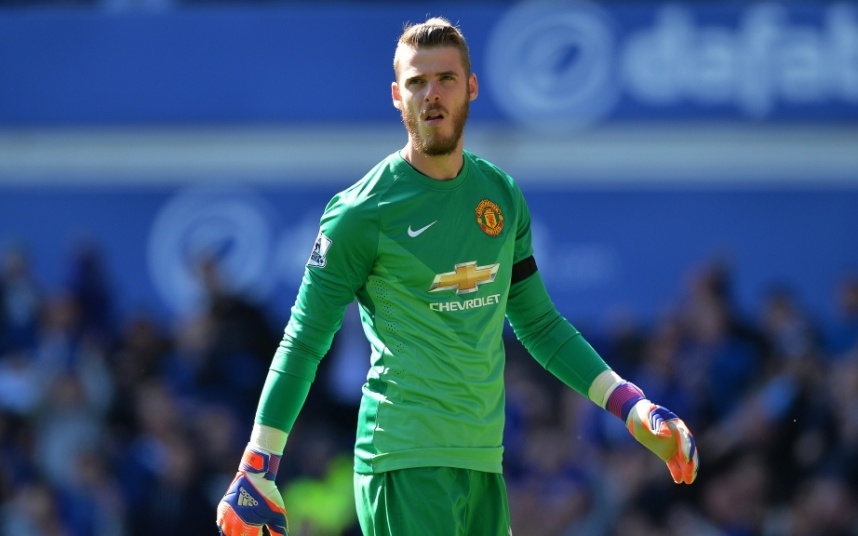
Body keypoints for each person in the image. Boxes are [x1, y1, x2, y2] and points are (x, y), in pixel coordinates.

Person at [216, 17, 698, 536]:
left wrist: (631, 405)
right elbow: (304, 339)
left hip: (483, 464)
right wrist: (258, 464)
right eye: (417, 82)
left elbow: (540, 325)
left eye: (445, 79)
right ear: (397, 96)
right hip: (403, 461)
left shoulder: (500, 195)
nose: (431, 94)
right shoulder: (360, 212)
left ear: (470, 88)